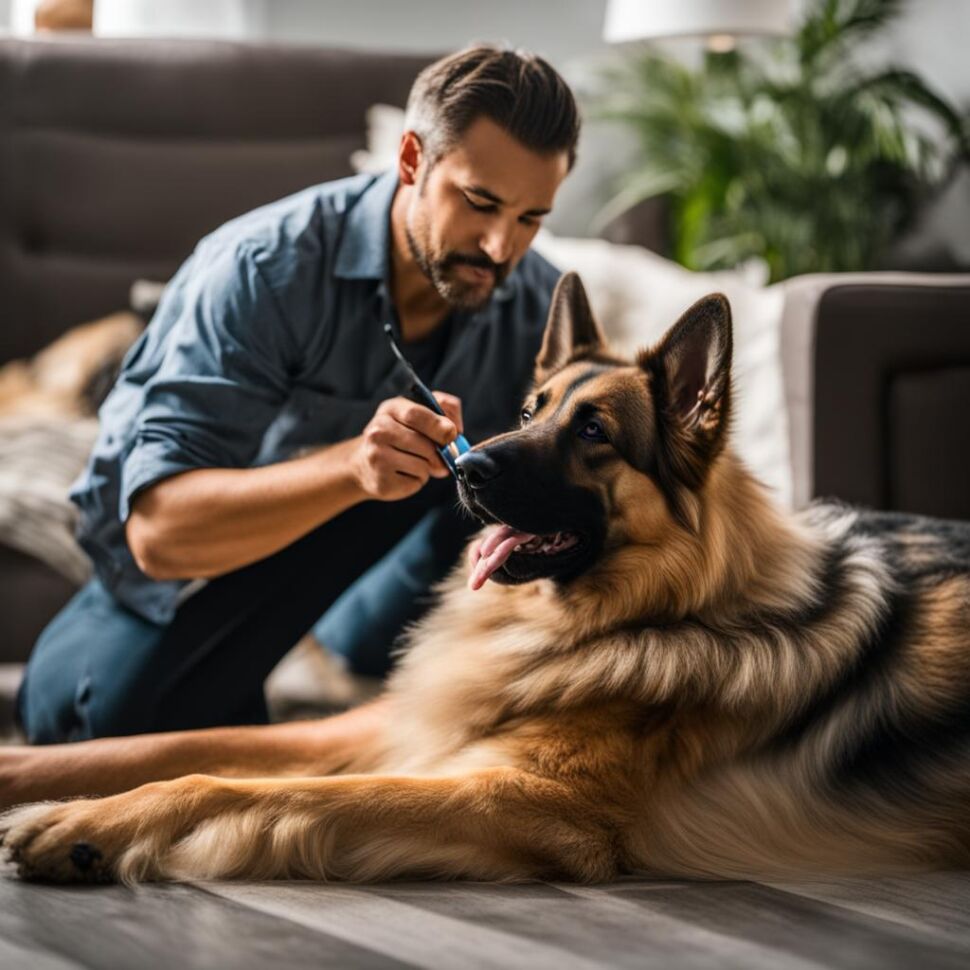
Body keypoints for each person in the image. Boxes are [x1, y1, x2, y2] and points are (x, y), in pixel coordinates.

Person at [16, 45, 580, 744]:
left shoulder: (536, 305)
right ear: (411, 160)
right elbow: (159, 535)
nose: (501, 248)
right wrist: (352, 466)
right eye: (481, 202)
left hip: (388, 581)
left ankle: (343, 659)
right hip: (203, 572)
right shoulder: (263, 270)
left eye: (531, 218)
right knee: (96, 718)